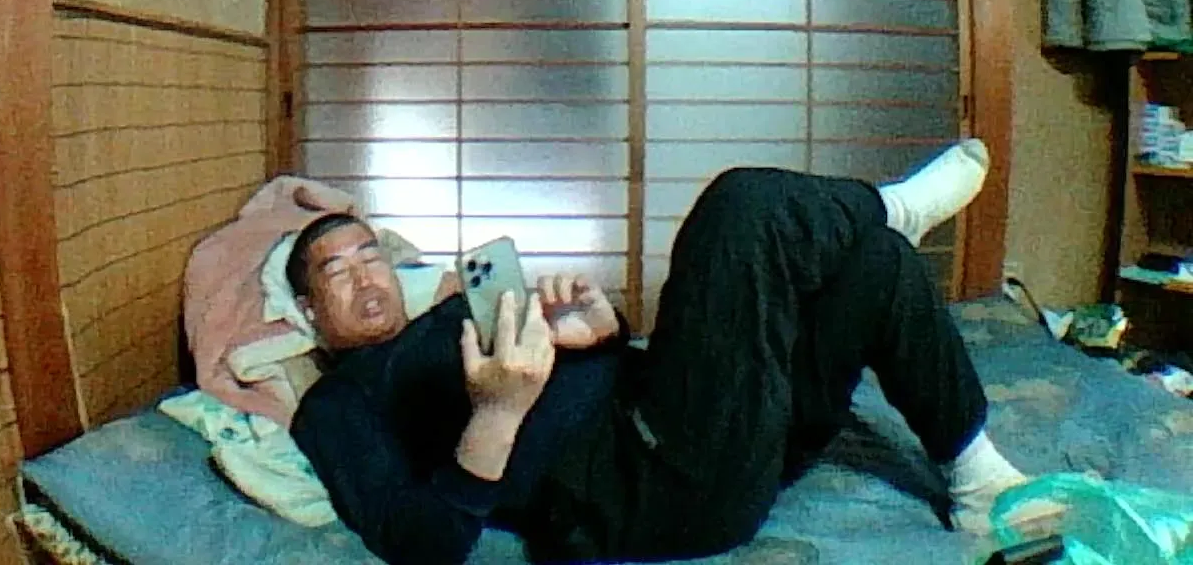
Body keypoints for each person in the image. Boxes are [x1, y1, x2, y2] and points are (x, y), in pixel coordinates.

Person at [287, 140, 1048, 565]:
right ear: (308, 312)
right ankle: (888, 205)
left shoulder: (456, 310)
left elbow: (600, 361)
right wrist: (497, 414)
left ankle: (976, 478)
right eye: (335, 271)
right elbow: (418, 543)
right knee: (740, 206)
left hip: (730, 430)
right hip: (655, 483)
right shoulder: (338, 402)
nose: (365, 276)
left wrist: (604, 328)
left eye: (371, 256)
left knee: (878, 263)